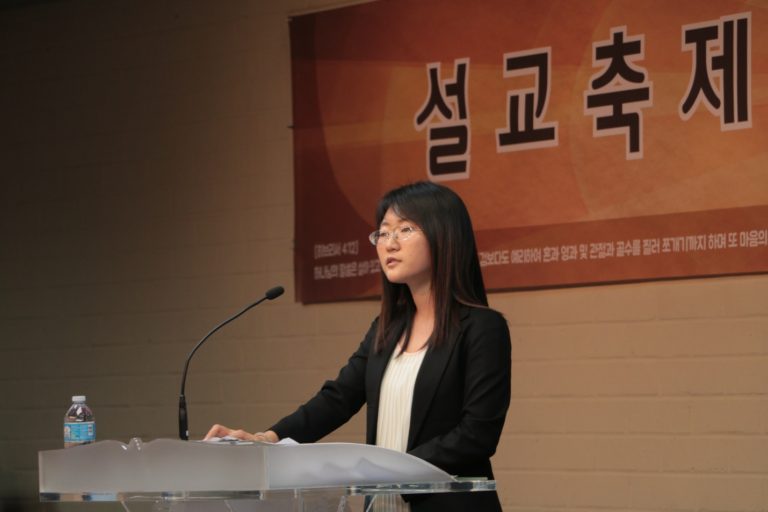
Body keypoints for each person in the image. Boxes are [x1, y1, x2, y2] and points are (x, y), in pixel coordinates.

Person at [205, 181, 511, 512]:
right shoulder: (386, 329)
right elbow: (338, 399)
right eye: (383, 232)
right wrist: (268, 439)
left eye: (405, 229)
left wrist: (386, 469)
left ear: (445, 235)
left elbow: (476, 435)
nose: (389, 243)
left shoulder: (481, 328)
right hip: (382, 504)